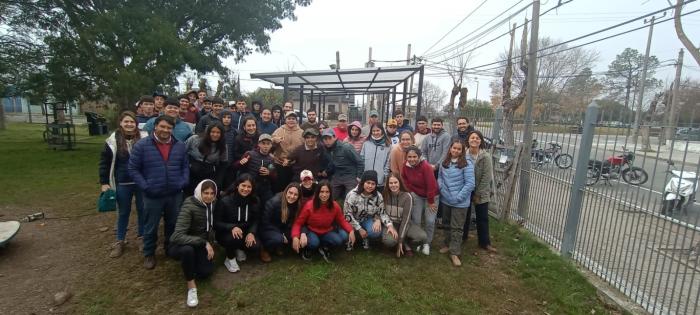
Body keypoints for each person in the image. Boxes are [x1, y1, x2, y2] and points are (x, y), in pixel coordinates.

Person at [129, 115, 189, 269]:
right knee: (151, 225)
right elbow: (133, 169)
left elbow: (185, 167)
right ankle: (149, 253)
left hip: (174, 193)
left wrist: (182, 182)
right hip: (152, 194)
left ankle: (170, 248)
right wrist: (145, 186)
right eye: (162, 126)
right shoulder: (142, 145)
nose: (165, 130)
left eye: (169, 128)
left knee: (173, 223)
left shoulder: (180, 145)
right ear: (155, 126)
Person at [99, 111, 147, 258]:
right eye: (126, 121)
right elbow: (104, 163)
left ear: (136, 123)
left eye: (132, 122)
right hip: (122, 182)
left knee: (142, 210)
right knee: (123, 212)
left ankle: (142, 237)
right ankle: (120, 240)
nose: (129, 124)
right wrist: (104, 182)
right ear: (120, 123)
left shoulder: (145, 138)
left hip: (141, 182)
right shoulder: (112, 141)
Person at [168, 179, 217, 308]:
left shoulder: (213, 203)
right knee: (187, 251)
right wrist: (204, 242)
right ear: (199, 192)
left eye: (212, 193)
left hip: (199, 244)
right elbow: (177, 235)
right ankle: (191, 286)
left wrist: (210, 242)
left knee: (205, 273)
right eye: (205, 193)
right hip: (180, 244)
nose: (209, 196)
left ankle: (192, 263)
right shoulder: (189, 205)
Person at [291, 181, 356, 261]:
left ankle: (323, 246)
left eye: (327, 192)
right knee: (314, 243)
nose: (324, 195)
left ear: (330, 193)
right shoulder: (309, 205)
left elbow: (342, 220)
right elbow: (298, 223)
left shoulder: (335, 205)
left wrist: (351, 231)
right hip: (311, 231)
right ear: (317, 192)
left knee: (338, 241)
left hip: (326, 231)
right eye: (321, 192)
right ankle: (308, 249)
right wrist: (295, 237)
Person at [437, 140, 475, 266]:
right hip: (446, 199)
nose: (456, 151)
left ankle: (455, 252)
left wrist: (458, 197)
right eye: (454, 148)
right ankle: (448, 244)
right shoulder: (445, 162)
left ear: (462, 151)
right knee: (446, 224)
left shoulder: (467, 164)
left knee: (457, 228)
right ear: (450, 149)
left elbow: (470, 184)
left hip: (460, 202)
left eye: (459, 149)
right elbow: (440, 178)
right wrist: (441, 189)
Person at [214, 174, 261, 272]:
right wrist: (231, 227)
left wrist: (252, 232)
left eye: (249, 187)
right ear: (237, 186)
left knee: (255, 246)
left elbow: (255, 219)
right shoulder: (224, 201)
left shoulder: (255, 200)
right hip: (226, 233)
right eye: (243, 185)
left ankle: (240, 248)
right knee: (234, 238)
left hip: (245, 230)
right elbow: (216, 223)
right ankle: (230, 258)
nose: (246, 189)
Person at [343, 170, 397, 250]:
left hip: (366, 219)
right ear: (363, 182)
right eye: (368, 183)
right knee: (344, 234)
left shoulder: (378, 196)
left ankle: (365, 238)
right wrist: (359, 228)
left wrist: (390, 225)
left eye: (373, 184)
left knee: (375, 232)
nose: (370, 186)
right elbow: (347, 214)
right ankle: (352, 238)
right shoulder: (352, 195)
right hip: (352, 220)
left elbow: (382, 212)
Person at [401, 146, 439, 256]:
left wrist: (431, 201)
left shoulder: (425, 166)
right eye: (409, 157)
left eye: (414, 156)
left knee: (430, 220)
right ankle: (419, 240)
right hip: (417, 195)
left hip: (431, 196)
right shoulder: (405, 166)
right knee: (416, 219)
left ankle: (427, 243)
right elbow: (404, 179)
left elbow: (431, 185)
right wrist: (411, 189)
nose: (412, 159)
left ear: (419, 156)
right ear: (406, 157)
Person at [464, 130, 497, 253]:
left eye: (477, 138)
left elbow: (486, 177)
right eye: (472, 138)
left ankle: (484, 242)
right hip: (466, 190)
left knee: (482, 217)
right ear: (468, 140)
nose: (474, 140)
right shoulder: (464, 155)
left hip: (481, 191)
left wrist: (478, 193)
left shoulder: (485, 156)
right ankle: (463, 237)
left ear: (481, 141)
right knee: (465, 215)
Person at [382, 173, 427, 258]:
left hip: (405, 223)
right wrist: (389, 225)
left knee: (422, 237)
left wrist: (400, 241)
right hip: (390, 224)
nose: (393, 185)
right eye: (391, 183)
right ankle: (397, 244)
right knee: (389, 241)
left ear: (400, 183)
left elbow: (405, 220)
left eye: (395, 182)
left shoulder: (407, 197)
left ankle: (404, 243)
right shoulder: (385, 194)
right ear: (387, 184)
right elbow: (381, 212)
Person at [259, 183, 302, 262]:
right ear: (286, 192)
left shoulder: (297, 205)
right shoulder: (273, 202)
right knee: (279, 239)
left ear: (298, 196)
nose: (292, 196)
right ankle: (264, 249)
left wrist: (293, 235)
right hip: (267, 228)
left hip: (281, 228)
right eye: (290, 193)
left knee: (293, 236)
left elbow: (293, 222)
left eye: (295, 194)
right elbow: (264, 222)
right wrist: (281, 235)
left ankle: (277, 246)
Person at [184, 123, 227, 196]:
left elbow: (223, 164)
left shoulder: (222, 146)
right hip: (191, 174)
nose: (215, 135)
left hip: (207, 176)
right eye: (213, 132)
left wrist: (218, 181)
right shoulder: (195, 139)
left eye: (218, 132)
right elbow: (182, 152)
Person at [321, 129, 363, 200]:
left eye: (329, 138)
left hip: (350, 176)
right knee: (329, 196)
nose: (327, 141)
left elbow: (359, 162)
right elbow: (332, 162)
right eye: (325, 139)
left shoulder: (346, 147)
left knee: (350, 198)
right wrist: (326, 171)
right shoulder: (327, 149)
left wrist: (358, 177)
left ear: (335, 137)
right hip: (337, 175)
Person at [234, 134, 276, 203]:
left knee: (271, 202)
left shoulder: (271, 159)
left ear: (271, 145)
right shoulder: (250, 154)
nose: (266, 146)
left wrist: (269, 173)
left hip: (264, 188)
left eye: (268, 144)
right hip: (250, 187)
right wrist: (240, 163)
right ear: (259, 144)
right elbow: (235, 167)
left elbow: (274, 177)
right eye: (263, 143)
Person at [271, 111, 304, 192]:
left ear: (296, 120)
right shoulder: (279, 130)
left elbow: (303, 148)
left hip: (295, 165)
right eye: (289, 118)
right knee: (280, 187)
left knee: (292, 188)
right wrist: (274, 140)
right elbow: (270, 142)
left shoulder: (302, 132)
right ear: (285, 120)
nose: (291, 120)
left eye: (293, 119)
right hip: (280, 164)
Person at [360, 123, 392, 191]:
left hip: (380, 179)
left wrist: (384, 175)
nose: (375, 133)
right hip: (367, 177)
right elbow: (362, 159)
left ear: (382, 131)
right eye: (373, 131)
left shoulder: (388, 145)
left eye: (378, 130)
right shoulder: (366, 143)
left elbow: (388, 162)